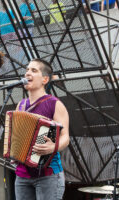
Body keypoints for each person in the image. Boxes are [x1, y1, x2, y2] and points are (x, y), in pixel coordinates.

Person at [14, 59, 70, 200]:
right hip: (22, 175)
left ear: (45, 79)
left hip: (49, 174)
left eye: (34, 70)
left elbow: (65, 137)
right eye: (27, 70)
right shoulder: (21, 105)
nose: (27, 73)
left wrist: (53, 146)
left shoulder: (55, 104)